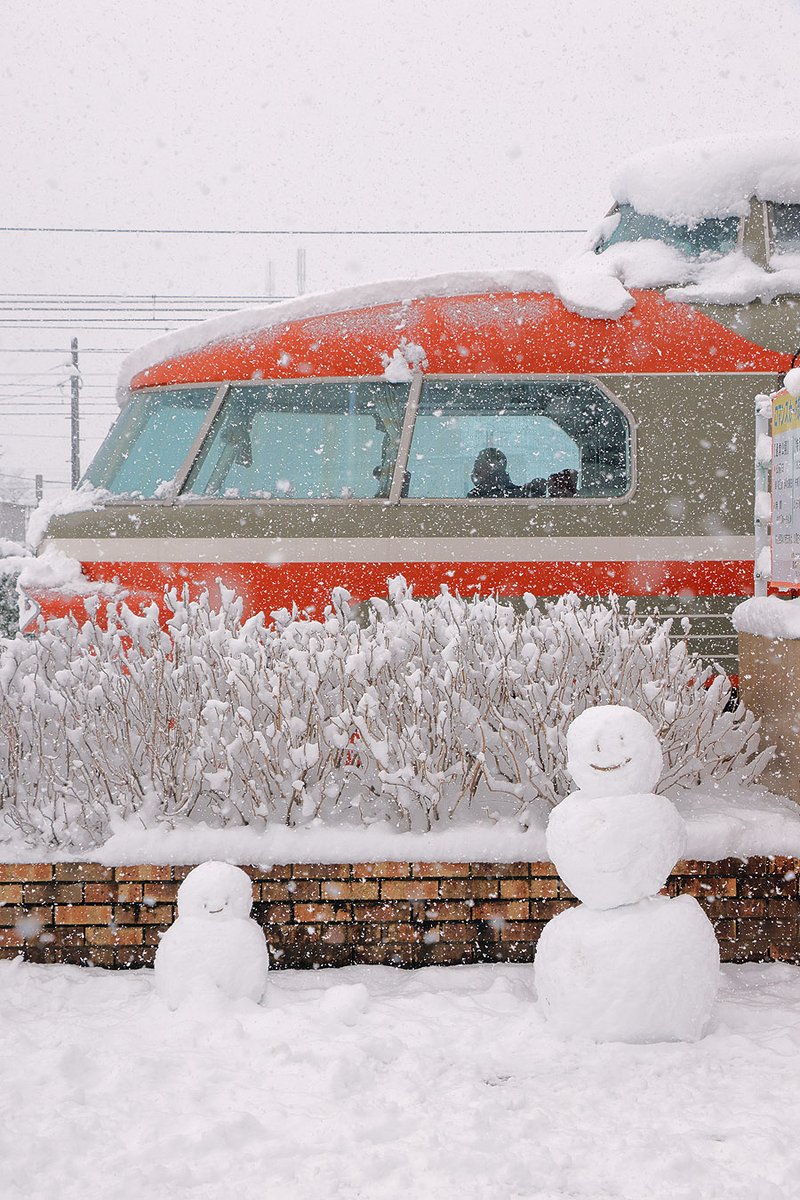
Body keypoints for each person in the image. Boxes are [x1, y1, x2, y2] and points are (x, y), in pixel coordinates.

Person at [467, 448, 577, 499]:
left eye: (478, 465)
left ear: (491, 467)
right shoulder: (523, 493)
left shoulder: (477, 496)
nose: (475, 470)